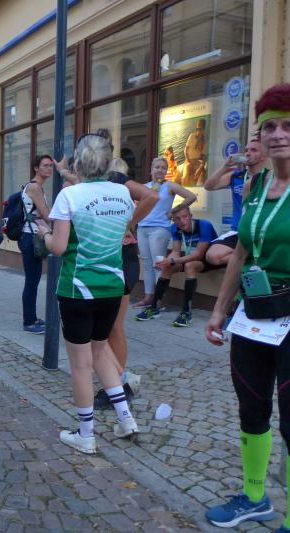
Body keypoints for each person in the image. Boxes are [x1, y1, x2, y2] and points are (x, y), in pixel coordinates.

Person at [204, 84, 290, 529]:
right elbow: (240, 252)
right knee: (251, 406)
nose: (278, 134)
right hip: (255, 313)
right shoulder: (256, 185)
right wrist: (220, 309)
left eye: (288, 125)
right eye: (270, 127)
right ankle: (255, 496)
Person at [34, 132, 138, 455]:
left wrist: (45, 233)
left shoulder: (70, 196)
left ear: (78, 163)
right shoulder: (122, 193)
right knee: (100, 351)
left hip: (78, 289)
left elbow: (58, 248)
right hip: (112, 286)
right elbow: (122, 229)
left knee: (81, 364)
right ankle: (126, 419)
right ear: (108, 163)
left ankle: (86, 434)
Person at [93, 156, 159, 410]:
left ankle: (118, 386)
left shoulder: (116, 181)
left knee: (111, 328)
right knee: (107, 327)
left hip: (120, 258)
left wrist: (128, 224)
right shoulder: (97, 184)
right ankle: (117, 383)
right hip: (113, 258)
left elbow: (152, 196)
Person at [135, 205, 217, 326]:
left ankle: (186, 312)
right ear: (174, 220)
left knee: (189, 265)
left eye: (184, 217)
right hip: (190, 258)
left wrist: (173, 261)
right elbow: (176, 252)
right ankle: (154, 307)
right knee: (168, 267)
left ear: (190, 216)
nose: (182, 221)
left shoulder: (204, 225)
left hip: (210, 260)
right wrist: (166, 261)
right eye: (177, 218)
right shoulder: (175, 228)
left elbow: (198, 255)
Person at [133, 157, 197, 308]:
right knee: (147, 264)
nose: (160, 170)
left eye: (163, 167)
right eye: (157, 167)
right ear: (151, 170)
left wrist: (173, 212)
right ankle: (148, 297)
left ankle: (158, 299)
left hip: (159, 229)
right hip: (142, 228)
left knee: (158, 264)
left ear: (166, 171)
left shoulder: (170, 186)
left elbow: (191, 196)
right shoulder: (144, 187)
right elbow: (136, 205)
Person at [5, 154, 53, 334]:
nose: (49, 168)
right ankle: (29, 322)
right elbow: (47, 215)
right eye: (45, 165)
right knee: (32, 281)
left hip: (30, 237)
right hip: (30, 238)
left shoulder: (32, 186)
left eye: (50, 166)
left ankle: (32, 317)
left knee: (33, 280)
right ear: (36, 168)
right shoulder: (35, 188)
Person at [205, 140, 268, 267]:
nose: (248, 153)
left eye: (254, 150)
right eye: (246, 150)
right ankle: (253, 260)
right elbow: (209, 186)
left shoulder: (269, 177)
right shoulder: (236, 176)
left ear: (263, 156)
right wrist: (225, 166)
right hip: (238, 230)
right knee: (212, 256)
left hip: (261, 232)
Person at [183, 118, 208, 186]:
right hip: (188, 160)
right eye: (197, 129)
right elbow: (185, 150)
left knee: (203, 174)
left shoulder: (204, 141)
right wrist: (188, 160)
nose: (198, 131)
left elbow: (203, 157)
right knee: (185, 176)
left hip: (197, 161)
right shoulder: (192, 136)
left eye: (200, 129)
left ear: (203, 130)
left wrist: (200, 167)